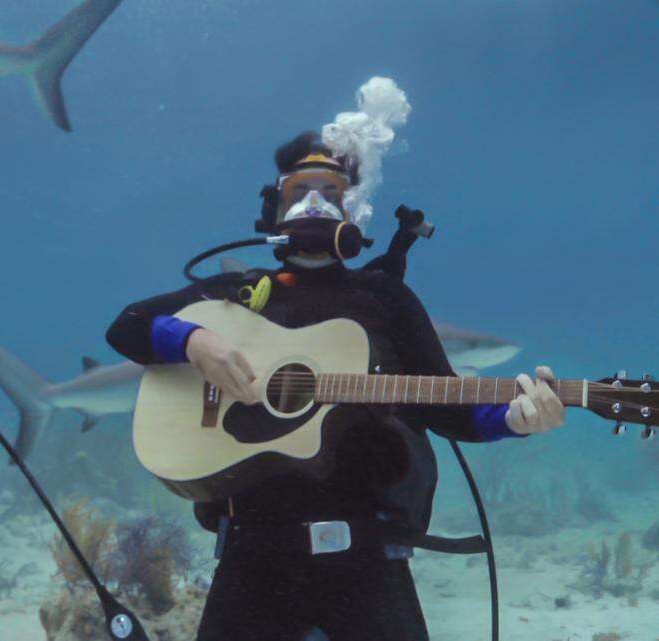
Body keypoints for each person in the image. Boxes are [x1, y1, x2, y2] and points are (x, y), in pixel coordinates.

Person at [105, 131, 564, 641]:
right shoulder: (238, 295)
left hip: (368, 555)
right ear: (273, 208)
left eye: (331, 191)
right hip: (252, 553)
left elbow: (448, 406)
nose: (314, 202)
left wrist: (514, 418)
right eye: (299, 190)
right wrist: (191, 341)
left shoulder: (385, 299)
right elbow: (127, 327)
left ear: (353, 209)